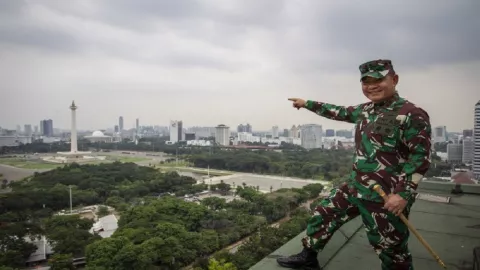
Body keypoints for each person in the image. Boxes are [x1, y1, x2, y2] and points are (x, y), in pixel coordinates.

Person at [277, 59, 432, 270]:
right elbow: (338, 111)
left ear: (394, 80)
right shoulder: (366, 110)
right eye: (366, 82)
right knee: (323, 214)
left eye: (378, 80)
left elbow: (420, 157)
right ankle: (308, 256)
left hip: (386, 195)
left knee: (390, 247)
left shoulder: (411, 114)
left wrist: (403, 194)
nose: (372, 86)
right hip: (355, 186)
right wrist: (307, 104)